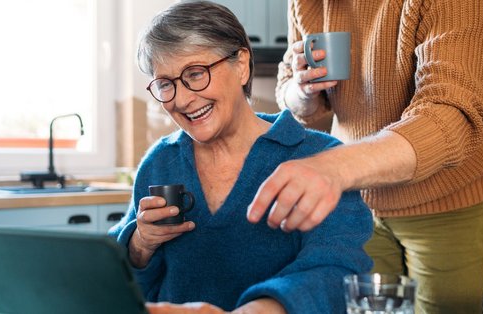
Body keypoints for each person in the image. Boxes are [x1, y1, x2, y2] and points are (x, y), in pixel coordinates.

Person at [108, 1, 373, 313]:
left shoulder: (319, 158)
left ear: (241, 64)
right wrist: (141, 244)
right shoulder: (161, 162)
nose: (182, 99)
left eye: (196, 73)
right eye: (166, 84)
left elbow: (337, 272)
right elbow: (121, 285)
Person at [246, 1, 483, 313]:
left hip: (446, 197)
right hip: (358, 202)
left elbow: (449, 112)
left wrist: (337, 167)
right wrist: (303, 92)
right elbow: (289, 83)